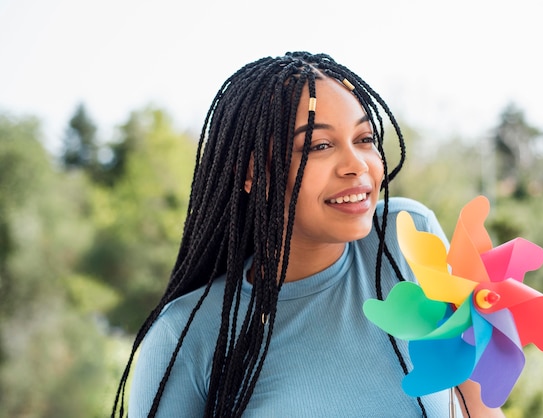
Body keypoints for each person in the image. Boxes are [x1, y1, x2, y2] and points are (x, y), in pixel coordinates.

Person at [112, 51, 504, 418]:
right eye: (319, 145)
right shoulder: (182, 337)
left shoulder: (406, 239)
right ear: (252, 173)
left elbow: (477, 402)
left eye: (365, 139)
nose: (356, 164)